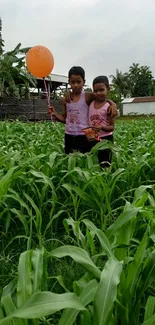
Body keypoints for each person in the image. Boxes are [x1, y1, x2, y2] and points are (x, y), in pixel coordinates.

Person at [51, 66, 117, 154]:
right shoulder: (65, 100)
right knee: (69, 158)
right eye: (73, 82)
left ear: (84, 82)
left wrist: (113, 104)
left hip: (86, 134)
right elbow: (65, 120)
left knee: (87, 159)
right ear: (69, 82)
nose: (76, 85)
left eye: (79, 82)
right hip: (69, 134)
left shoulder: (87, 96)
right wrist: (54, 114)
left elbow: (101, 97)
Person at [88, 75, 115, 168]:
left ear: (108, 89)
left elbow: (112, 127)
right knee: (92, 162)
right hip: (92, 137)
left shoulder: (109, 107)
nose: (98, 93)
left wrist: (102, 127)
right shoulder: (91, 103)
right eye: (95, 91)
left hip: (105, 139)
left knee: (105, 164)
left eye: (101, 90)